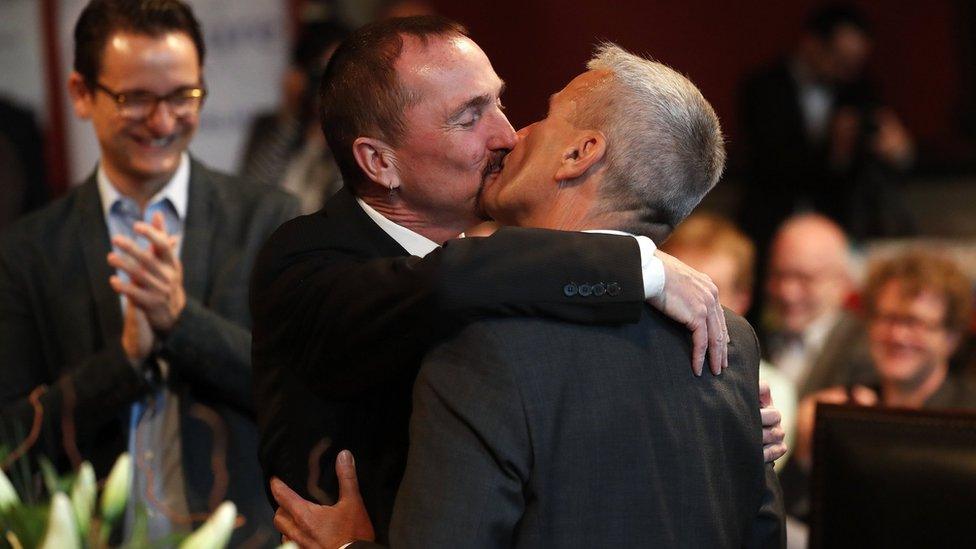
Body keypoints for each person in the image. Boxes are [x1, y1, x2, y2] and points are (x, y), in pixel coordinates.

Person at [250, 15, 781, 543]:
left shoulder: (526, 294)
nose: (507, 134)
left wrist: (714, 433)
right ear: (379, 162)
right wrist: (637, 265)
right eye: (469, 117)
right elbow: (443, 287)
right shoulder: (308, 261)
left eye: (498, 101)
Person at [0, 1, 299, 546]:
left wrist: (182, 323)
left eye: (183, 96)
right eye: (136, 98)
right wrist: (123, 362)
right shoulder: (28, 251)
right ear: (81, 94)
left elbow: (301, 394)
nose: (163, 121)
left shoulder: (268, 220)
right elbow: (11, 437)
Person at [785, 250, 975, 547]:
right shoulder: (844, 410)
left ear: (950, 337)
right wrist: (806, 454)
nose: (897, 335)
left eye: (914, 322)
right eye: (887, 318)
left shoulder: (969, 419)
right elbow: (794, 521)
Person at [663, 212, 797, 469]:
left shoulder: (773, 388)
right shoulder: (632, 361)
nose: (695, 305)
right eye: (682, 287)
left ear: (742, 300)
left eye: (710, 292)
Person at [763, 213, 875, 400]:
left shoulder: (867, 349)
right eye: (779, 275)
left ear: (842, 281)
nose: (787, 292)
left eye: (805, 278)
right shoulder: (755, 337)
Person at [239, 21, 348, 214]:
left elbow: (347, 200)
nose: (329, 85)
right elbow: (252, 194)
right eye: (320, 74)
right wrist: (291, 115)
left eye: (339, 73)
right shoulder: (269, 128)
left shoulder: (358, 138)